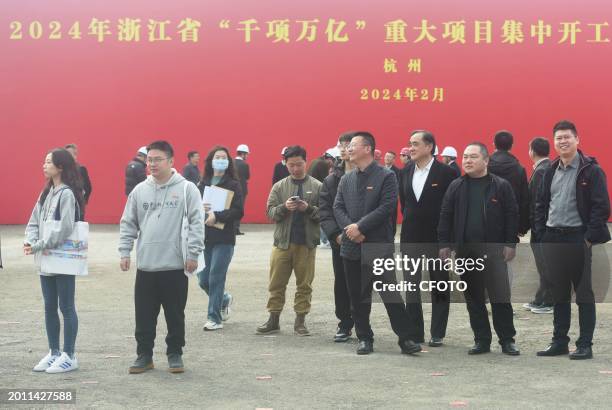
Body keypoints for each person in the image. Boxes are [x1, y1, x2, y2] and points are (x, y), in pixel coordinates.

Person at [119, 140, 204, 374]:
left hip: (175, 264)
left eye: (157, 159)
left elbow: (197, 223)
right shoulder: (139, 190)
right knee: (144, 315)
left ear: (171, 161)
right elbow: (128, 223)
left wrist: (193, 253)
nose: (152, 164)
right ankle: (144, 355)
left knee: (175, 314)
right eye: (149, 160)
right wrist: (125, 251)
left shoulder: (187, 189)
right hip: (146, 265)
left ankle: (175, 353)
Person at [334, 132, 422, 356]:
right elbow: (338, 208)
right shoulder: (346, 179)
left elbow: (387, 207)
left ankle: (406, 339)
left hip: (378, 247)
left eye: (353, 145)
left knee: (390, 294)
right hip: (351, 247)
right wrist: (352, 230)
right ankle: (365, 337)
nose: (349, 149)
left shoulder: (386, 176)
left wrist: (360, 227)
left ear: (367, 149)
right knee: (358, 297)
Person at [535, 120, 610, 360]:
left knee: (583, 292)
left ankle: (585, 344)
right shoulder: (549, 171)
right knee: (558, 293)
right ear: (554, 143)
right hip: (553, 238)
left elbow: (601, 206)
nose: (563, 141)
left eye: (567, 137)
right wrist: (542, 233)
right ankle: (560, 342)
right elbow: (540, 205)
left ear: (577, 140)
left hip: (578, 238)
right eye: (558, 138)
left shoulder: (591, 170)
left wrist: (588, 238)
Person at [438, 142, 520, 356]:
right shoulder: (456, 186)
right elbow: (445, 216)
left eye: (473, 157)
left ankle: (507, 340)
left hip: (494, 252)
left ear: (486, 160)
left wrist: (510, 244)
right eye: (465, 157)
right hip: (466, 252)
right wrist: (444, 245)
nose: (467, 161)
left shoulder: (500, 186)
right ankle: (481, 340)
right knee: (473, 299)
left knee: (499, 297)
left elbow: (512, 216)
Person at [25, 148, 85, 373]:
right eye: (44, 161)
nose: (44, 165)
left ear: (61, 166)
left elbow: (65, 227)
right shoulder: (46, 192)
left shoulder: (67, 194)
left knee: (66, 306)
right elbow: (33, 220)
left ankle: (69, 355)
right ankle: (54, 352)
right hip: (46, 259)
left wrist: (38, 244)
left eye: (49, 162)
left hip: (62, 259)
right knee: (49, 306)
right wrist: (30, 239)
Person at [399, 130, 457, 347]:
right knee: (411, 285)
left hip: (437, 239)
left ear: (429, 147)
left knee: (440, 285)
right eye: (410, 143)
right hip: (411, 238)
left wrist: (448, 242)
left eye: (415, 144)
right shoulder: (405, 172)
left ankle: (438, 332)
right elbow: (405, 205)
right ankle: (415, 331)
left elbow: (451, 208)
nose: (410, 148)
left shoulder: (446, 173)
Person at [257, 146, 322, 336]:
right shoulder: (279, 186)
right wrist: (284, 207)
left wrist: (308, 208)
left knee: (305, 284)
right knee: (276, 283)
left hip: (307, 244)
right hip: (282, 243)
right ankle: (273, 319)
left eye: (299, 164)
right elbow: (270, 213)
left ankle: (300, 321)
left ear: (306, 162)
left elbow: (325, 214)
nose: (295, 169)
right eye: (291, 165)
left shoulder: (318, 186)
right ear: (285, 164)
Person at [197, 146, 244, 330]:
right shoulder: (202, 183)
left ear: (229, 162)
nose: (221, 160)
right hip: (204, 236)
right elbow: (193, 206)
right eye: (217, 157)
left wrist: (217, 216)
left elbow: (238, 211)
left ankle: (214, 318)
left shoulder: (233, 184)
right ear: (211, 160)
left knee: (216, 276)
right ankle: (224, 299)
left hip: (224, 237)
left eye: (224, 157)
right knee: (203, 279)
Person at [319, 132, 356, 342]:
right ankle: (344, 323)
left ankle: (362, 323)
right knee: (341, 282)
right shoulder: (332, 179)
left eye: (348, 145)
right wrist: (335, 235)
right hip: (340, 241)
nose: (344, 149)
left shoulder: (370, 176)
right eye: (341, 145)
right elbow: (325, 210)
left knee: (363, 282)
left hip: (364, 238)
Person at [522, 137, 553, 314]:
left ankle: (548, 301)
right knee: (543, 265)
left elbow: (537, 202)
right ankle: (540, 298)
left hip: (541, 227)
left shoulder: (542, 170)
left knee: (545, 265)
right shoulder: (543, 168)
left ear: (532, 151)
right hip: (540, 226)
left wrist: (535, 226)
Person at [488, 131, 530, 236]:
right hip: (510, 222)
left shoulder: (485, 165)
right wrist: (522, 226)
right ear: (512, 146)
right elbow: (524, 199)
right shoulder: (519, 168)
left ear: (494, 144)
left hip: (486, 220)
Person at [234, 144, 250, 235]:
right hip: (242, 190)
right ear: (243, 154)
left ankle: (231, 228)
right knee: (239, 209)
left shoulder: (231, 162)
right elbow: (248, 176)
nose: (247, 156)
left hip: (231, 189)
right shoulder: (244, 164)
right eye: (246, 154)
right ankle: (236, 228)